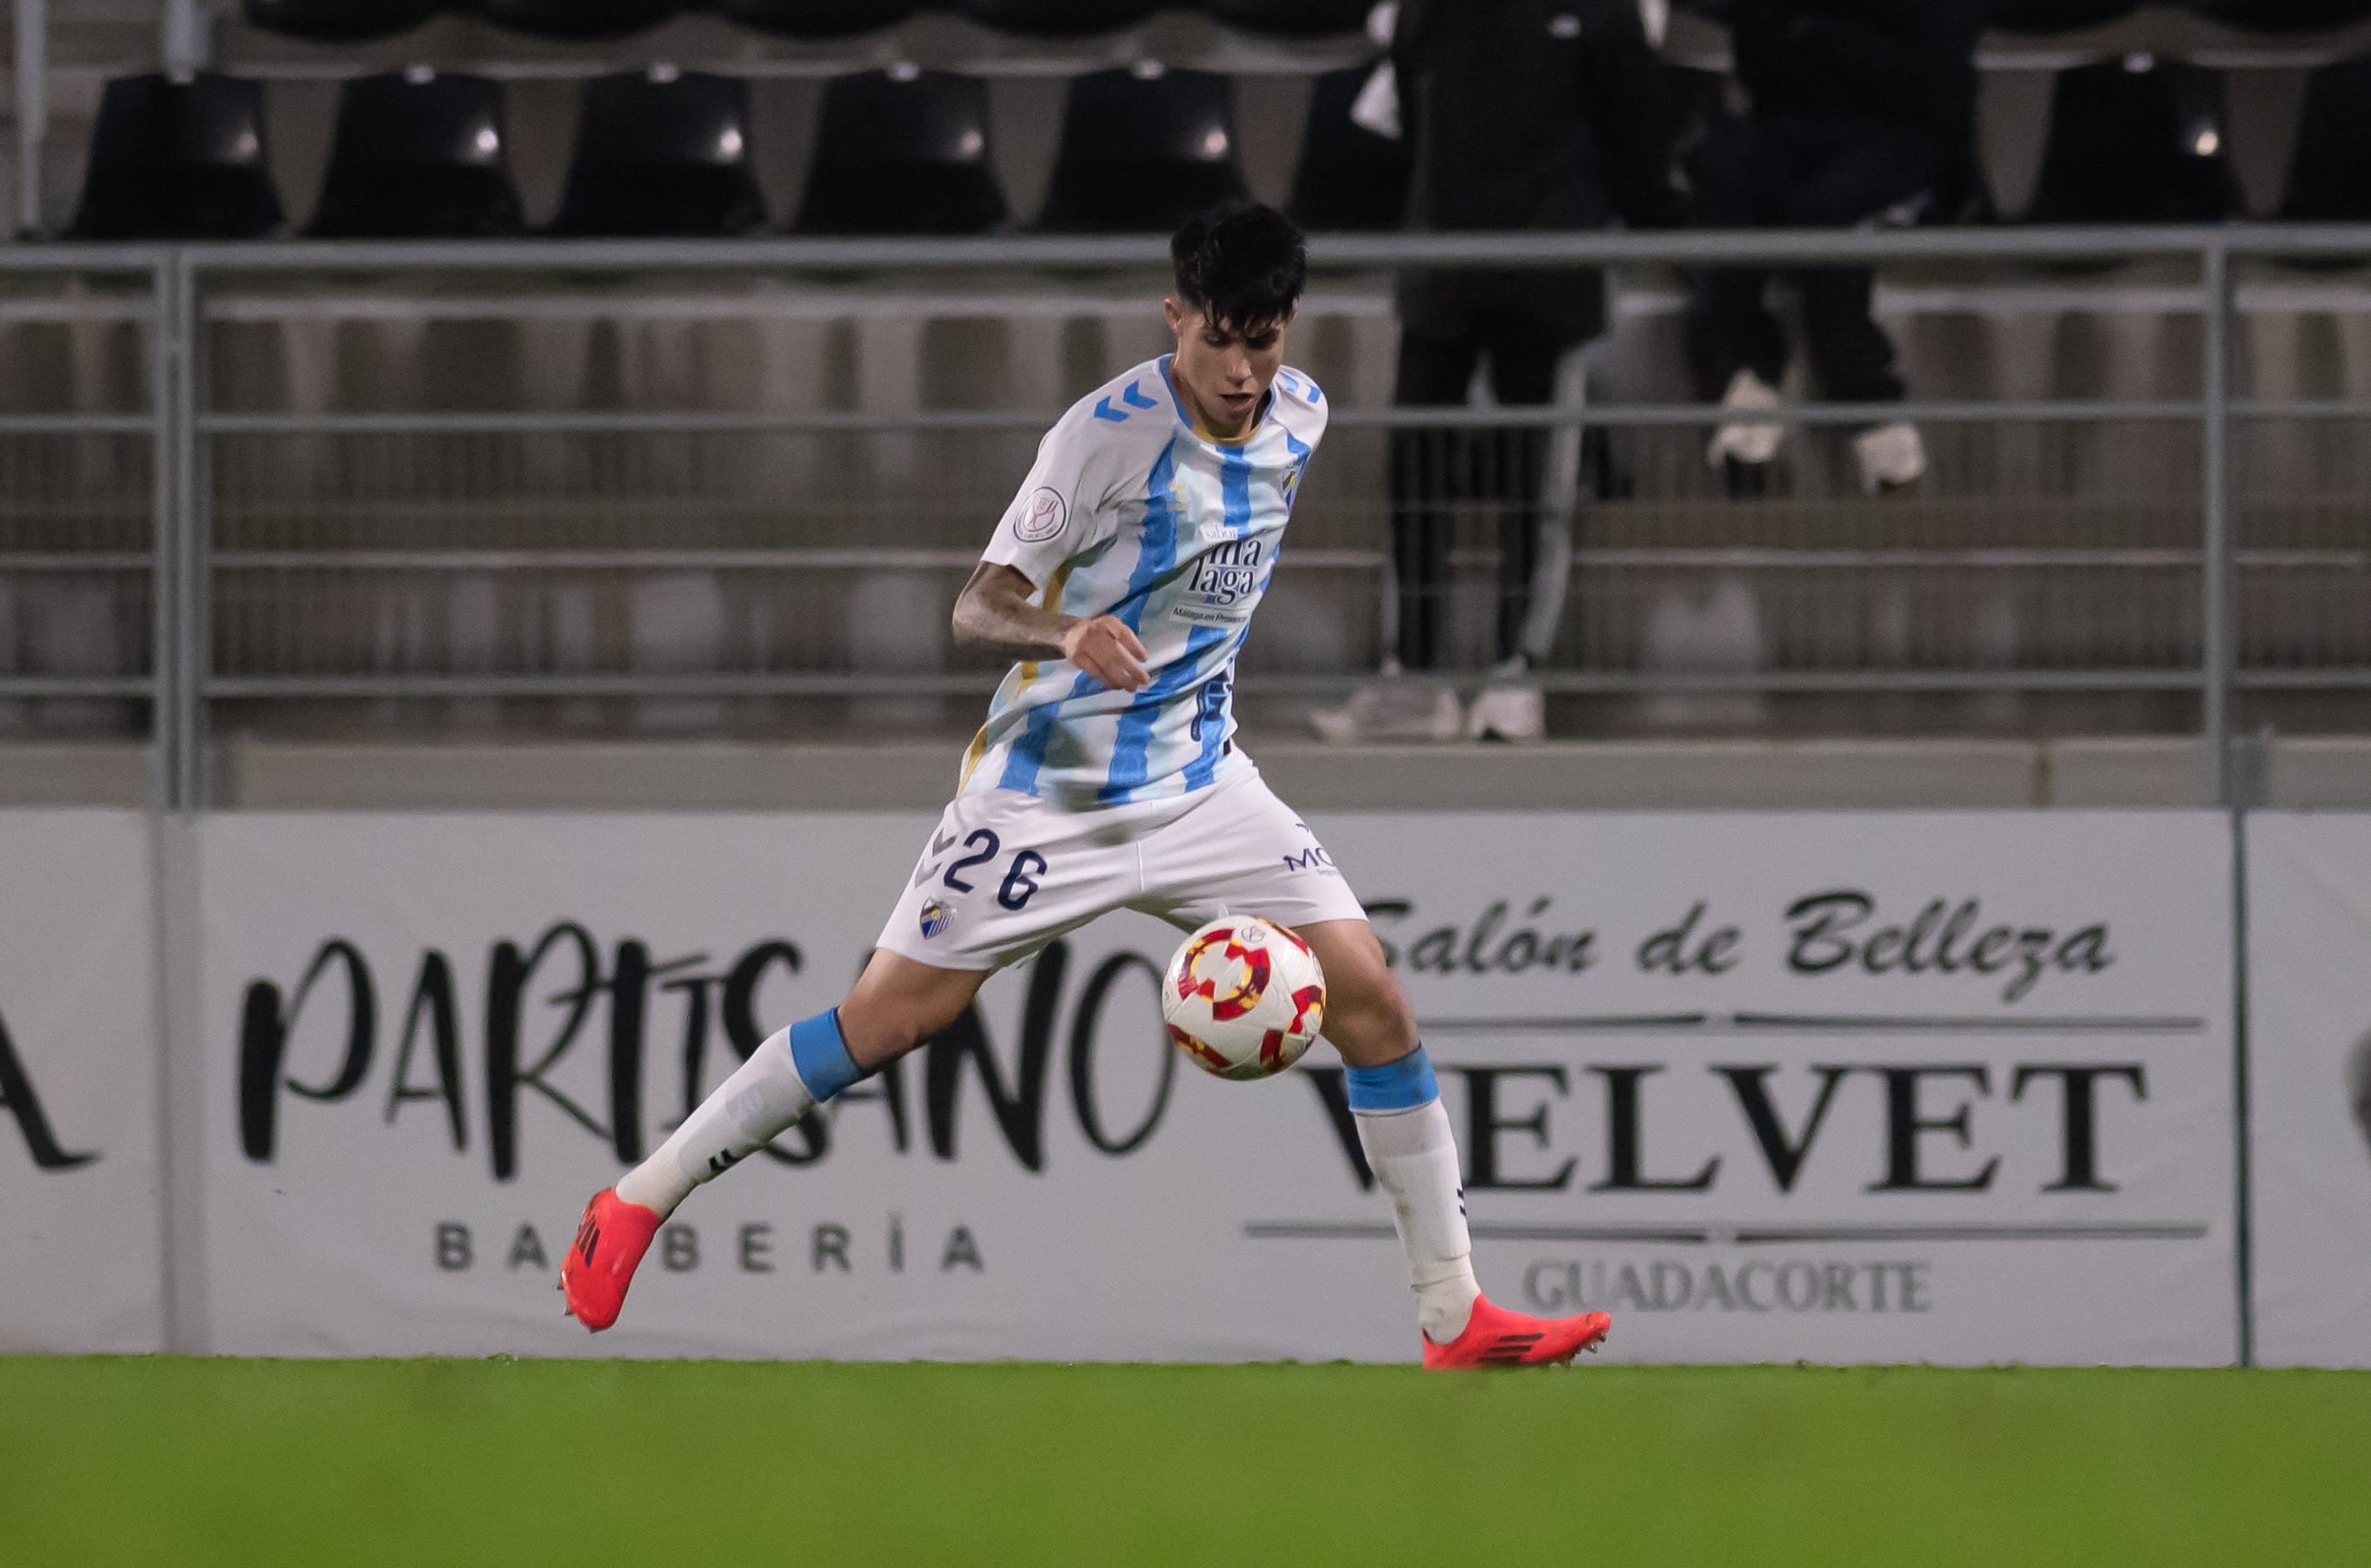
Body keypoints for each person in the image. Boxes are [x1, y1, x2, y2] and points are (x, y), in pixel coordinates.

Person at [560, 204, 1613, 1370]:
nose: (1240, 367)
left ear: (1288, 329)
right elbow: (974, 606)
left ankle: (1452, 1311)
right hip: (1049, 791)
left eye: (1262, 339)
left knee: (1375, 1004)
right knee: (893, 1017)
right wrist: (1064, 633)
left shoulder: (1302, 416)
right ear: (1176, 319)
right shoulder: (1103, 436)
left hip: (1205, 784)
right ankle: (639, 1200)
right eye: (1218, 338)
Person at [1314, 0, 1680, 744]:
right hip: (1441, 273)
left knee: (1536, 486)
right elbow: (1418, 130)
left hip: (1549, 278)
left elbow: (1634, 138)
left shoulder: (1602, 16)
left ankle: (1517, 675)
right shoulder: (1428, 13)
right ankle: (1413, 679)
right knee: (1413, 480)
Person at [1687, 0, 1984, 496]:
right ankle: (1753, 365)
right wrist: (1827, 41)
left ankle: (1867, 401)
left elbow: (1931, 86)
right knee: (1721, 174)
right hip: (1794, 125)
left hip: (1905, 135)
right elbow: (1760, 58)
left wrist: (1819, 33)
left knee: (1824, 209)